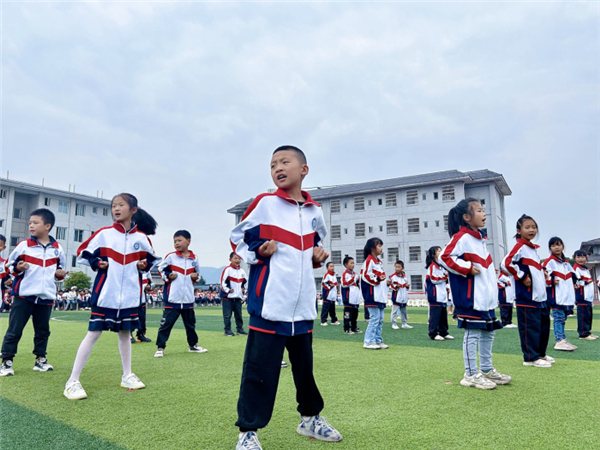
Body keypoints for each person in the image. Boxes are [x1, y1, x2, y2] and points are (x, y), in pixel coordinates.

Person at [230, 145, 342, 450]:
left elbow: (315, 246)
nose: (278, 168)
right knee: (260, 370)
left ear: (303, 170)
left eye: (285, 162)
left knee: (304, 368)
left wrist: (318, 256)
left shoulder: (314, 211)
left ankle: (310, 419)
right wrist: (257, 251)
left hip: (303, 304)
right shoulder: (265, 203)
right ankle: (247, 433)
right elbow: (238, 237)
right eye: (272, 164)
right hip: (270, 303)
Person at [63, 193, 159, 400]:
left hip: (130, 297)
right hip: (106, 294)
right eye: (113, 206)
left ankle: (127, 375)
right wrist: (97, 263)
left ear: (133, 210)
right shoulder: (103, 234)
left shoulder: (142, 238)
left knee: (125, 333)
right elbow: (83, 253)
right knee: (93, 333)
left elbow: (150, 260)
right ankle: (72, 381)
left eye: (121, 205)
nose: (116, 209)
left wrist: (144, 266)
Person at [441, 198, 511, 390]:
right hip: (472, 298)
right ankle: (470, 373)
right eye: (479, 210)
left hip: (486, 298)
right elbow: (444, 257)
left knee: (489, 332)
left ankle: (487, 369)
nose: (484, 214)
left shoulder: (479, 238)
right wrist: (467, 267)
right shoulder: (461, 237)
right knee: (472, 334)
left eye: (483, 210)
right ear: (466, 217)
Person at [0, 209, 67, 377]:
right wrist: (18, 268)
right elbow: (9, 266)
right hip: (24, 296)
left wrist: (59, 275)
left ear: (47, 226)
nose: (31, 226)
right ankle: (6, 361)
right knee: (15, 329)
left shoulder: (58, 249)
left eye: (35, 223)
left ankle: (40, 359)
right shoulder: (24, 246)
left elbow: (60, 271)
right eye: (30, 223)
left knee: (43, 330)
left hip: (46, 297)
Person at [502, 215, 554, 368]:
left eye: (534, 227)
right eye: (527, 227)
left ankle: (540, 353)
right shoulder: (520, 247)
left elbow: (533, 268)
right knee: (529, 327)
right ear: (519, 230)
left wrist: (542, 272)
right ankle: (530, 357)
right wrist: (522, 276)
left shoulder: (532, 249)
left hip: (540, 296)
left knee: (542, 326)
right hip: (527, 296)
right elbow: (506, 263)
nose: (532, 230)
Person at [154, 230, 207, 357]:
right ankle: (160, 348)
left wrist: (195, 277)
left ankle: (193, 345)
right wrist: (168, 276)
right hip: (173, 299)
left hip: (188, 299)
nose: (177, 243)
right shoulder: (171, 257)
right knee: (166, 324)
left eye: (180, 240)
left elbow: (198, 276)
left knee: (190, 325)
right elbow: (160, 270)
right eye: (175, 241)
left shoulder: (194, 259)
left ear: (188, 241)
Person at [543, 237, 578, 351]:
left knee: (562, 318)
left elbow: (573, 276)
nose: (556, 247)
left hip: (566, 296)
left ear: (563, 246)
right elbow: (544, 277)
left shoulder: (566, 263)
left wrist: (574, 283)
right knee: (558, 317)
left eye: (558, 245)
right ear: (550, 248)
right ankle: (559, 340)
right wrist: (551, 281)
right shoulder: (549, 262)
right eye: (553, 245)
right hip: (556, 296)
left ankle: (562, 339)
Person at [361, 238, 389, 350]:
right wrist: (377, 278)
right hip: (372, 295)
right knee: (374, 318)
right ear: (372, 248)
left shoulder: (379, 262)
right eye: (379, 246)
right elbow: (365, 275)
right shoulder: (369, 261)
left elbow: (379, 278)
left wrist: (385, 282)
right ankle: (368, 341)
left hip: (380, 296)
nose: (381, 248)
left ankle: (378, 340)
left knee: (380, 319)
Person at [425, 246, 454, 341]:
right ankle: (433, 333)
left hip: (442, 294)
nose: (440, 252)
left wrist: (445, 277)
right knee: (435, 316)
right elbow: (433, 279)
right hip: (435, 294)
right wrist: (444, 278)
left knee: (443, 315)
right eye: (438, 251)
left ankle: (444, 332)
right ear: (433, 255)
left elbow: (445, 277)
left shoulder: (442, 266)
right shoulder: (432, 266)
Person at [220, 252, 248, 336]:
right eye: (235, 258)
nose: (237, 260)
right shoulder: (227, 270)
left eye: (239, 258)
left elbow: (246, 282)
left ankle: (240, 329)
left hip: (238, 297)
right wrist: (228, 290)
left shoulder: (242, 271)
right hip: (228, 297)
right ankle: (227, 330)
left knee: (239, 315)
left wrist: (243, 290)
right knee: (227, 315)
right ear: (230, 259)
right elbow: (223, 282)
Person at [573, 251, 597, 340]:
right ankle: (583, 334)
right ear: (574, 258)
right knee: (583, 315)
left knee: (588, 315)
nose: (581, 259)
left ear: (586, 258)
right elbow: (575, 282)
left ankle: (587, 332)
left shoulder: (586, 269)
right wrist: (586, 282)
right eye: (578, 257)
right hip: (582, 296)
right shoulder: (576, 269)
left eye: (583, 257)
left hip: (588, 297)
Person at [341, 256, 361, 334]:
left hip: (355, 298)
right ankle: (346, 328)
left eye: (353, 263)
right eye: (351, 263)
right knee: (347, 314)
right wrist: (352, 279)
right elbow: (344, 284)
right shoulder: (345, 274)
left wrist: (358, 280)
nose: (353, 265)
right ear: (346, 265)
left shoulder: (355, 274)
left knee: (355, 314)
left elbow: (356, 285)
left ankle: (354, 327)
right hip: (348, 298)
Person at [131, 272, 153, 344]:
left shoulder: (146, 271)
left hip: (142, 299)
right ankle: (129, 334)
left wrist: (149, 287)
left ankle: (141, 334)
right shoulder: (130, 267)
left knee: (142, 318)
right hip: (130, 299)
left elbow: (152, 284)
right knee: (130, 316)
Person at [390, 260, 411, 330]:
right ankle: (394, 323)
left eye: (399, 267)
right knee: (394, 311)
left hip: (403, 296)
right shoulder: (393, 276)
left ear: (402, 268)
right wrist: (396, 286)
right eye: (396, 267)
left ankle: (404, 323)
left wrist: (407, 286)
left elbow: (406, 287)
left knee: (404, 311)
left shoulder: (405, 278)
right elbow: (391, 286)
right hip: (396, 296)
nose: (397, 268)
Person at [320, 262, 340, 326]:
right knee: (325, 308)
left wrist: (336, 287)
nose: (332, 268)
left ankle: (333, 320)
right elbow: (324, 283)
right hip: (327, 294)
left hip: (333, 294)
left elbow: (335, 284)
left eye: (333, 266)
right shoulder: (327, 275)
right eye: (331, 266)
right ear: (327, 268)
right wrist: (330, 287)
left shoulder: (334, 275)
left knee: (332, 308)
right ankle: (323, 321)